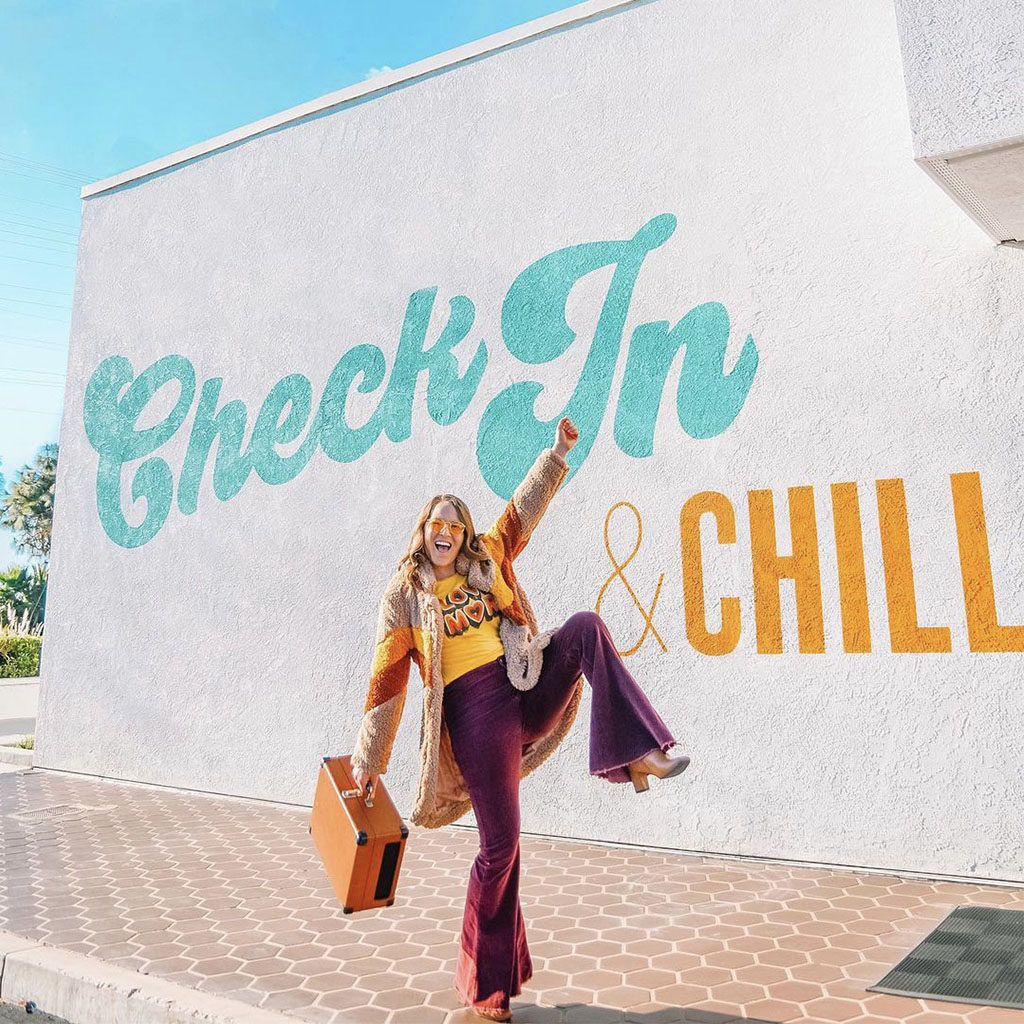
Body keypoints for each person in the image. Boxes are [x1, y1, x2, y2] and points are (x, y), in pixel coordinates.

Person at [351, 416, 690, 1022]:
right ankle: (485, 985)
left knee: (585, 626)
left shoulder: (489, 562)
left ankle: (640, 753)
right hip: (474, 719)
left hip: (522, 691)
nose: (448, 533)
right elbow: (387, 683)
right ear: (424, 535)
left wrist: (557, 453)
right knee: (501, 848)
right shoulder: (406, 595)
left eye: (457, 525)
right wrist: (369, 763)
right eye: (438, 525)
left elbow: (522, 510)